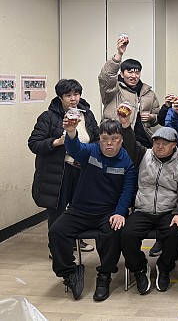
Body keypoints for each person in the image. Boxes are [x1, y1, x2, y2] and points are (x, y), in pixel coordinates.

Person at [49, 119, 137, 301]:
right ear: (99, 139)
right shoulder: (91, 151)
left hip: (108, 212)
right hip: (79, 210)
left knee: (113, 233)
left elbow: (128, 191)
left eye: (114, 139)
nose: (109, 144)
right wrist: (71, 132)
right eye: (105, 139)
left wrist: (120, 212)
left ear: (121, 140)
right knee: (56, 231)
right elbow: (75, 149)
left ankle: (104, 275)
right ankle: (70, 273)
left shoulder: (127, 163)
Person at [118, 118, 178, 294]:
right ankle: (139, 269)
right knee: (126, 234)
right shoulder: (143, 155)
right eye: (156, 143)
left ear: (173, 145)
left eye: (164, 144)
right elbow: (130, 143)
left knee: (176, 232)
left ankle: (164, 268)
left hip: (168, 211)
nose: (159, 146)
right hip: (143, 209)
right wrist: (126, 126)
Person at [28, 79, 100, 256]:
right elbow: (34, 143)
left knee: (79, 208)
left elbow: (97, 138)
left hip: (82, 169)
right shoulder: (49, 117)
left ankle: (77, 240)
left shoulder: (87, 114)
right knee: (57, 211)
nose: (73, 99)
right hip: (59, 170)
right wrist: (57, 142)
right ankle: (57, 248)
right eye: (68, 95)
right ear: (60, 97)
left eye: (76, 94)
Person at [98, 35, 160, 148]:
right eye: (130, 72)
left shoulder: (148, 93)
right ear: (121, 74)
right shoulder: (113, 90)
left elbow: (157, 116)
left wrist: (152, 117)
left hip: (142, 143)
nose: (134, 76)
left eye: (137, 72)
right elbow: (106, 77)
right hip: (116, 140)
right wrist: (119, 54)